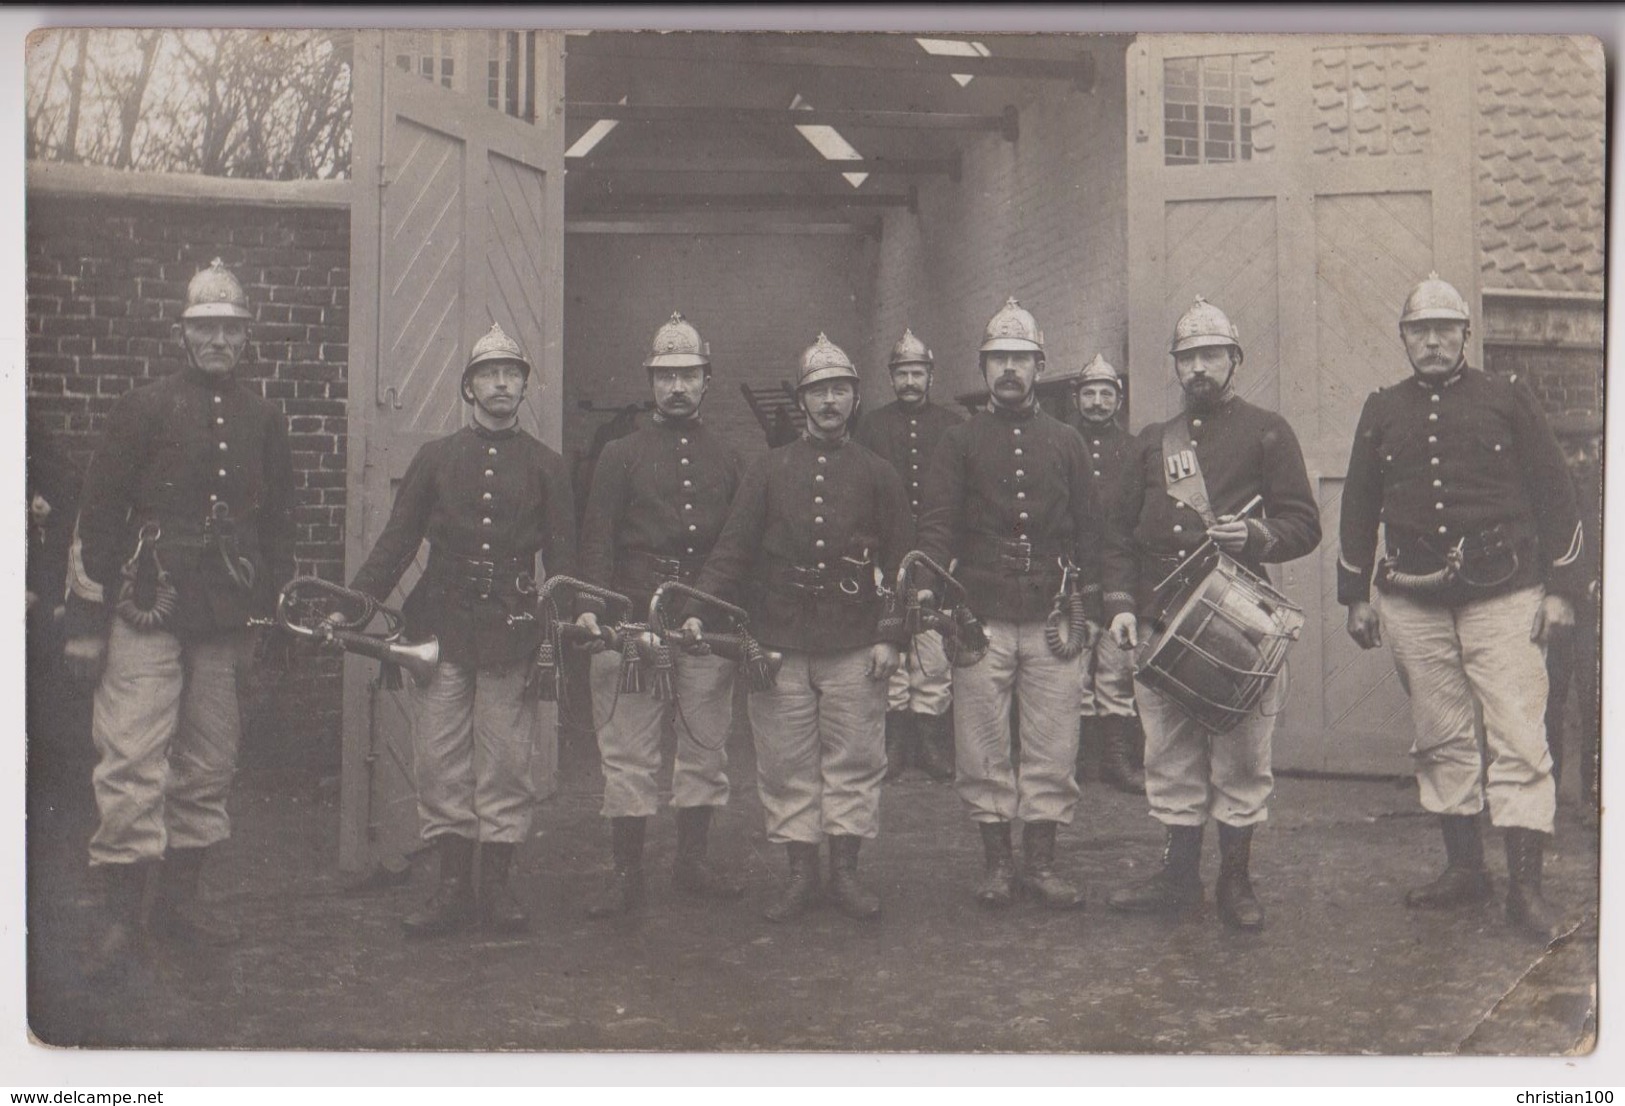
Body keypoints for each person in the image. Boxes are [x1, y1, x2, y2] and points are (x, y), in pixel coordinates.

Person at [63, 259, 297, 979]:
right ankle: (120, 915)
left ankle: (178, 906)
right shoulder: (144, 407)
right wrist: (84, 617)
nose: (218, 341)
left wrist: (270, 621)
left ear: (246, 337)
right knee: (132, 755)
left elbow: (279, 529)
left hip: (227, 613)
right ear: (184, 335)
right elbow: (99, 515)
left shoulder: (265, 418)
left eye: (230, 329)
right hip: (148, 603)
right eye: (205, 329)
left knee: (208, 761)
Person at [1337, 274, 1582, 942]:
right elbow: (1357, 503)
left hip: (1505, 595)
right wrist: (1354, 595)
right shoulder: (1381, 409)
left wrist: (1561, 589)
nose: (1433, 340)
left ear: (1465, 336)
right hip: (1412, 600)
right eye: (1420, 330)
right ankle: (1464, 870)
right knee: (1440, 736)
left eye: (1445, 328)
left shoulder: (1506, 399)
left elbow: (1558, 494)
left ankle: (1524, 891)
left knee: (1516, 736)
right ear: (1404, 339)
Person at [347, 322, 576, 939]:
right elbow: (398, 540)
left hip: (512, 629)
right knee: (440, 759)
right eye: (488, 374)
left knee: (503, 761)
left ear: (525, 386)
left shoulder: (547, 467)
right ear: (468, 387)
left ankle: (496, 889)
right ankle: (450, 888)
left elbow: (564, 560)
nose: (501, 384)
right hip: (440, 625)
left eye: (512, 374)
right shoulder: (435, 458)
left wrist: (576, 618)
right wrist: (356, 602)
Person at [1103, 296, 1320, 931]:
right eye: (1187, 357)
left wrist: (1253, 537)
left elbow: (1303, 525)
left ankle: (1235, 880)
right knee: (1168, 754)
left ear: (1234, 360)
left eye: (1210, 355)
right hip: (1161, 620)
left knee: (1242, 756)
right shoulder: (1152, 443)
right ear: (1176, 366)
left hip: (1239, 625)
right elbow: (1114, 536)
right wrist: (1119, 605)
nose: (1199, 367)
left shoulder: (1267, 430)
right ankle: (1176, 879)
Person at [692, 333, 910, 922]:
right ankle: (798, 875)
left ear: (855, 399)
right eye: (819, 391)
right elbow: (732, 552)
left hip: (855, 642)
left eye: (841, 390)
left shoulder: (880, 474)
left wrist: (892, 634)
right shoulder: (767, 470)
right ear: (804, 401)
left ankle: (845, 875)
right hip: (777, 642)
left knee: (856, 760)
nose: (830, 401)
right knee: (785, 764)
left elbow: (905, 564)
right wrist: (698, 609)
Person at [915, 298, 1104, 911]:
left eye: (1021, 359)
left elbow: (1090, 529)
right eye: (999, 359)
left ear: (1040, 365)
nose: (1010, 370)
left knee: (1053, 743)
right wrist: (931, 592)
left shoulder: (1068, 441)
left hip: (1053, 613)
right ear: (982, 367)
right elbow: (939, 524)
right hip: (981, 615)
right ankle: (997, 864)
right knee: (982, 744)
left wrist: (1094, 605)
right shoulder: (958, 440)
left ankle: (1042, 863)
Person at [575, 313, 745, 916]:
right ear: (651, 382)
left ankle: (692, 863)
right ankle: (626, 874)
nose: (677, 387)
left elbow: (735, 546)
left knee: (705, 744)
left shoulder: (730, 457)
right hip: (633, 627)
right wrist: (595, 612)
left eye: (689, 375)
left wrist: (705, 610)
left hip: (704, 625)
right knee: (629, 748)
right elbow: (597, 539)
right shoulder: (619, 454)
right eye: (666, 376)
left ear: (707, 380)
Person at [853, 328, 963, 783]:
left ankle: (932, 741)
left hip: (940, 553)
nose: (910, 381)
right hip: (886, 551)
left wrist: (954, 551)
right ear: (892, 378)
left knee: (933, 646)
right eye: (902, 374)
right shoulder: (871, 426)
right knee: (893, 641)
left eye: (917, 373)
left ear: (930, 376)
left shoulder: (953, 425)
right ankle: (896, 740)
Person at [1063, 354, 1143, 795]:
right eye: (1089, 394)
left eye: (1105, 394)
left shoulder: (1133, 450)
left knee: (1116, 671)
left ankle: (1117, 760)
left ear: (1119, 399)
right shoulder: (1061, 442)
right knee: (1072, 672)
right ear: (1077, 398)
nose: (1096, 402)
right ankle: (1081, 760)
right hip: (1073, 575)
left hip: (1118, 576)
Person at [1542, 416, 1601, 814]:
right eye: (1570, 450)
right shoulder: (1544, 494)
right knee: (1551, 698)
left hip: (1597, 610)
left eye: (1589, 450)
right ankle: (1546, 791)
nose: (1580, 460)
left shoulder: (1607, 493)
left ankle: (1595, 792)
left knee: (1595, 696)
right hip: (1558, 607)